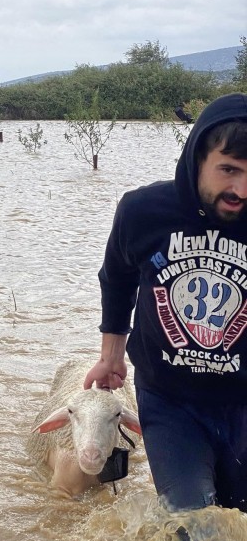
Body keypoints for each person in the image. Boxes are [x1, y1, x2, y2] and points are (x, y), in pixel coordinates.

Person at [84, 92, 247, 517]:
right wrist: (111, 356)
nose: (241, 190)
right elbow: (116, 279)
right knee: (194, 535)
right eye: (228, 170)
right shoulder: (143, 211)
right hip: (170, 400)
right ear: (197, 158)